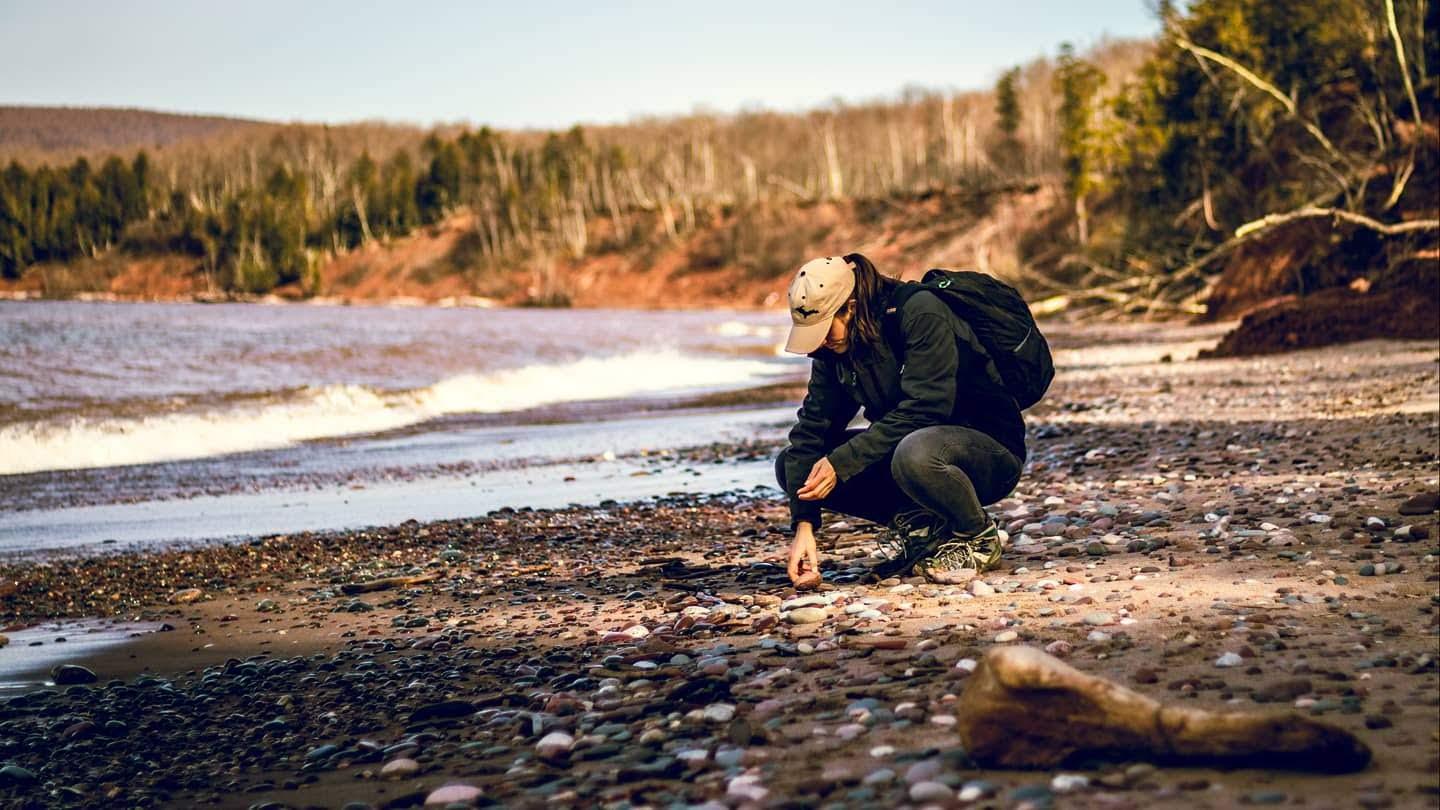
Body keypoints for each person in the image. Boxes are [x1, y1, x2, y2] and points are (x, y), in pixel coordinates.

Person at [776, 253, 1027, 586]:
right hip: (909, 452)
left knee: (914, 452)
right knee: (792, 465)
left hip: (986, 452)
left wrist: (843, 461)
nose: (819, 342)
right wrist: (805, 525)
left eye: (823, 330)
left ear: (849, 307)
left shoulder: (919, 311)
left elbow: (927, 408)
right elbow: (811, 431)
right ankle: (924, 526)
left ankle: (976, 535)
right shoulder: (833, 349)